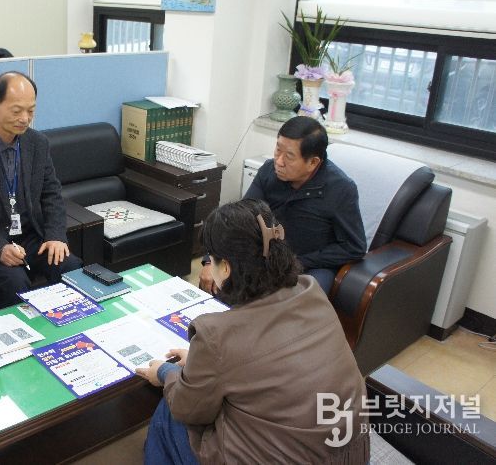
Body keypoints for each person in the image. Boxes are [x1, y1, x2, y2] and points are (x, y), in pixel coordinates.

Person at [137, 199, 369, 464]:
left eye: (211, 260)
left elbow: (188, 408)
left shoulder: (216, 333)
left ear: (225, 267)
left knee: (170, 409)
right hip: (350, 454)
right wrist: (200, 363)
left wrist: (165, 372)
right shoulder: (311, 290)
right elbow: (268, 364)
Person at [0, 71, 81, 308]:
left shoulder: (38, 143)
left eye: (31, 111)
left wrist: (55, 235)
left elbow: (51, 194)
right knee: (14, 282)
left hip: (32, 237)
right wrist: (0, 247)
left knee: (70, 266)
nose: (25, 118)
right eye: (16, 111)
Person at [199, 116, 365, 295]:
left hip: (312, 264)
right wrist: (212, 260)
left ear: (313, 162)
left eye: (289, 156)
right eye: (278, 150)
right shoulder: (269, 171)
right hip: (266, 255)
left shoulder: (341, 189)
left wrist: (297, 262)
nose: (279, 161)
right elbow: (239, 220)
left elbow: (353, 247)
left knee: (300, 300)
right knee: (218, 285)